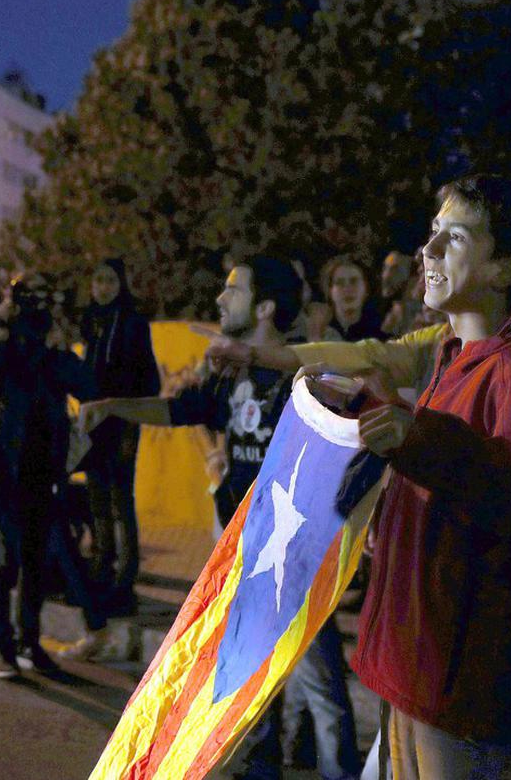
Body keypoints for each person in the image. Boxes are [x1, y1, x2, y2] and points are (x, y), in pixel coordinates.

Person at [213, 174, 511, 777]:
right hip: (421, 659)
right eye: (431, 236)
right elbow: (452, 473)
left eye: (455, 238)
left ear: (505, 269)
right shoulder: (458, 354)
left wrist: (417, 439)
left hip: (463, 682)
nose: (429, 253)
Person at [80, 255, 362, 780]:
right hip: (249, 556)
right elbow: (175, 410)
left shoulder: (304, 379)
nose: (218, 299)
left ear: (264, 307)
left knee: (322, 692)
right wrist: (111, 405)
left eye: (233, 290)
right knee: (247, 686)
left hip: (298, 562)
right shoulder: (232, 378)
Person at [0, 272, 102, 678]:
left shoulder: (51, 351)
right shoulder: (2, 344)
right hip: (6, 467)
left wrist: (65, 346)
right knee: (2, 556)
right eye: (31, 303)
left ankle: (28, 644)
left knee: (35, 560)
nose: (38, 312)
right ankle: (3, 647)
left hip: (44, 468)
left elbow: (88, 386)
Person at [79, 257, 160, 621]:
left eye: (110, 280)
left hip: (123, 422)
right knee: (97, 498)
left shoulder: (133, 323)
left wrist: (131, 420)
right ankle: (101, 567)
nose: (104, 287)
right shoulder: (90, 321)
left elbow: (149, 380)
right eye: (98, 280)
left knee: (120, 502)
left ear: (121, 283)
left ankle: (125, 578)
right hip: (94, 423)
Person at [320, 254, 385, 341]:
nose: (347, 289)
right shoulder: (319, 330)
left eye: (354, 281)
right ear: (330, 291)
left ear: (366, 288)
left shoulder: (382, 331)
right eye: (340, 283)